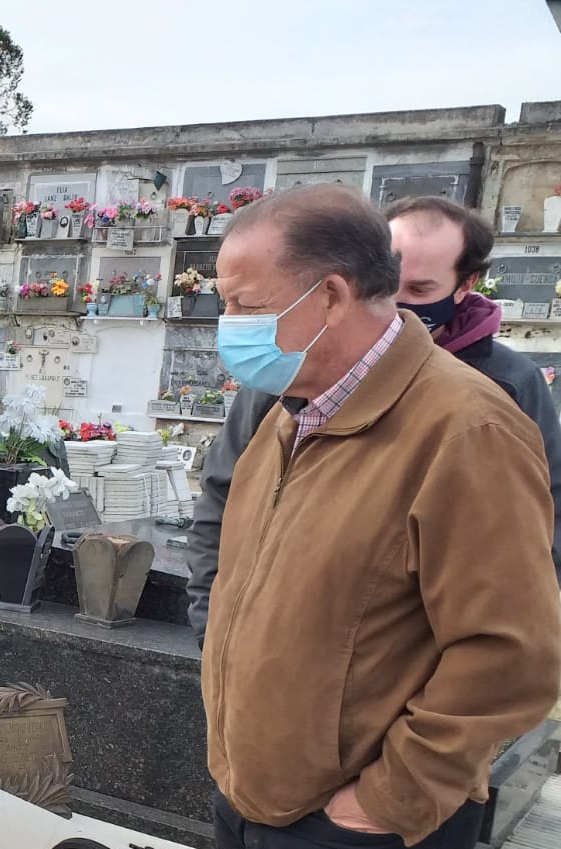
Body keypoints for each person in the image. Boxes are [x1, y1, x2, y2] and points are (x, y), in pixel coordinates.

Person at [201, 184, 560, 849]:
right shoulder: (290, 413)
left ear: (325, 297)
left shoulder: (463, 429)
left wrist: (379, 803)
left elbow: (513, 657)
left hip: (356, 842)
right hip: (257, 807)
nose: (228, 326)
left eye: (240, 300)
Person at [187, 197, 561, 644]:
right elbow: (223, 499)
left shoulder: (494, 402)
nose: (392, 303)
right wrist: (214, 632)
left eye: (419, 290)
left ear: (465, 285)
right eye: (389, 282)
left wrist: (405, 715)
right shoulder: (284, 369)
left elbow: (508, 624)